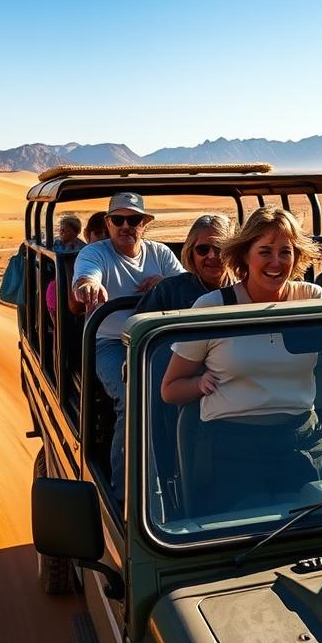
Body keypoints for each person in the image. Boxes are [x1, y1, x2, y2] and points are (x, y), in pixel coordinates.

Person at [161, 206, 322, 513]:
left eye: (285, 252)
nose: (276, 262)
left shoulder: (311, 300)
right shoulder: (212, 308)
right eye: (265, 251)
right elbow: (170, 389)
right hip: (233, 451)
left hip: (303, 446)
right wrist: (198, 383)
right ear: (244, 255)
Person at [73, 193, 185, 501]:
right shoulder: (96, 254)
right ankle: (127, 494)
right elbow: (86, 277)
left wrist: (165, 282)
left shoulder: (159, 254)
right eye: (117, 220)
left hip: (157, 341)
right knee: (133, 395)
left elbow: (184, 286)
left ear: (144, 224)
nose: (125, 226)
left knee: (194, 389)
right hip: (110, 343)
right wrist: (89, 287)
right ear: (107, 223)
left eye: (133, 219)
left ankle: (187, 478)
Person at [133, 214, 235, 316]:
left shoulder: (245, 289)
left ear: (232, 251)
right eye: (202, 249)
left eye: (220, 249)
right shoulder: (168, 292)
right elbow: (139, 328)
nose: (212, 256)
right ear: (191, 253)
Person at [47, 211, 107, 321]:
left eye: (108, 234)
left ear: (76, 232)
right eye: (98, 233)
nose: (103, 238)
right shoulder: (84, 253)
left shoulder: (81, 248)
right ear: (87, 235)